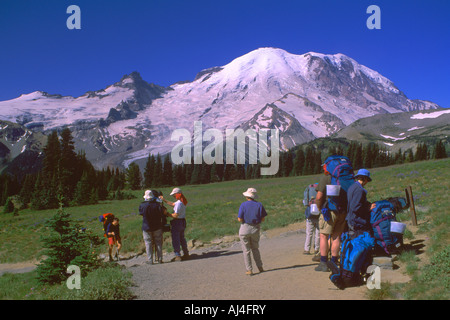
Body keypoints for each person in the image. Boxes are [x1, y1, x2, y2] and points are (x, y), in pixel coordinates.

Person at [314, 165, 348, 272]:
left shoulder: (326, 178)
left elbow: (319, 197)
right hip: (343, 210)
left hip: (329, 210)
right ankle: (334, 261)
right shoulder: (345, 177)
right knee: (336, 237)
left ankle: (323, 263)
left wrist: (320, 208)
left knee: (324, 235)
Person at [237, 188, 267, 275]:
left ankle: (249, 269)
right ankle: (260, 267)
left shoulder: (243, 205)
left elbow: (239, 219)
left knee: (246, 250)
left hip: (244, 228)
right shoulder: (259, 205)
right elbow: (263, 218)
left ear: (247, 196)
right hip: (255, 228)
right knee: (255, 248)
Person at [160, 188, 189, 261]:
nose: (173, 196)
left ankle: (178, 256)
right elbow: (173, 204)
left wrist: (166, 213)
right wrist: (164, 200)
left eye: (174, 195)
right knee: (182, 238)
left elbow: (175, 215)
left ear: (177, 194)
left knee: (176, 239)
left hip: (177, 222)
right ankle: (186, 253)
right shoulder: (182, 201)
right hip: (182, 221)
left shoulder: (179, 203)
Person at [346, 169, 376, 239]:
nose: (367, 182)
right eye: (367, 180)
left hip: (351, 218)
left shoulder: (352, 186)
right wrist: (368, 209)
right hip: (356, 221)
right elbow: (355, 207)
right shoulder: (359, 190)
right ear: (365, 178)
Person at [139, 190, 167, 264]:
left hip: (146, 226)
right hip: (157, 226)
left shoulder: (142, 205)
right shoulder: (157, 205)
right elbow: (161, 213)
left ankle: (150, 260)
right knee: (158, 242)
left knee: (148, 243)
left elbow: (141, 213)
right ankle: (160, 259)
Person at [303, 183, 320, 255]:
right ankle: (317, 249)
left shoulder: (308, 188)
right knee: (318, 234)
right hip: (319, 215)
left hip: (310, 215)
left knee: (309, 233)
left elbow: (305, 203)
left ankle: (307, 249)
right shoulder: (320, 189)